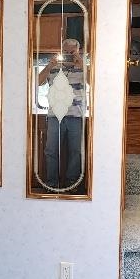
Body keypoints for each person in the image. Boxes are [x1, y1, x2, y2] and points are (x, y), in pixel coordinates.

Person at [37, 38, 85, 189]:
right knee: (51, 150)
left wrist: (82, 65)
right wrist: (50, 65)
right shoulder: (53, 67)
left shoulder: (84, 68)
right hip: (54, 115)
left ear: (78, 51)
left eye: (72, 52)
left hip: (76, 115)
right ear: (61, 51)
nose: (69, 54)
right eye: (66, 52)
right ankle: (52, 183)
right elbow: (37, 82)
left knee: (75, 151)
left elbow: (96, 82)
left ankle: (72, 184)